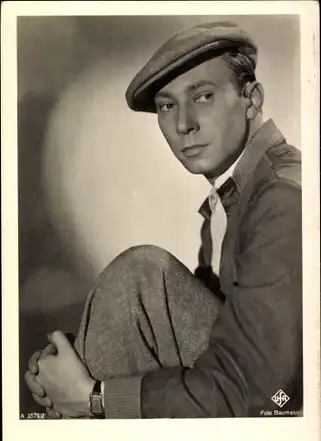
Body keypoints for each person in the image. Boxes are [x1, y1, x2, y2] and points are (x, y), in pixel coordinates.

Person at [24, 21, 302, 419]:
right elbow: (227, 331)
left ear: (252, 99)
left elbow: (263, 393)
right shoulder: (234, 193)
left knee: (139, 276)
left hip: (286, 424)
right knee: (137, 283)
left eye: (203, 96)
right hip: (248, 392)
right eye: (167, 105)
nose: (183, 124)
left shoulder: (281, 199)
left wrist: (95, 396)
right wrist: (74, 366)